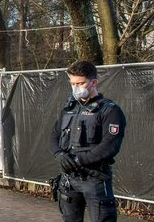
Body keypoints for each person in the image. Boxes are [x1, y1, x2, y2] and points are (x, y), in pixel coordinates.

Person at [49, 60, 126, 222]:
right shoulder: (69, 108)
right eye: (73, 83)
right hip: (69, 179)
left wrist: (79, 160)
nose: (76, 87)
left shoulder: (109, 110)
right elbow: (54, 135)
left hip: (95, 179)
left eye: (81, 83)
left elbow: (109, 146)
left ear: (94, 82)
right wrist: (59, 154)